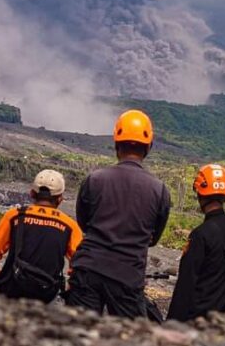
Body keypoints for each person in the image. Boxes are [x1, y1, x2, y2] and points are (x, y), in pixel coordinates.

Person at [65, 109, 171, 318]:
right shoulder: (159, 190)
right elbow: (153, 238)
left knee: (77, 335)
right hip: (127, 277)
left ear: (116, 143)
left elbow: (84, 223)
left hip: (88, 270)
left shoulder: (94, 180)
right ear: (148, 146)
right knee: (129, 337)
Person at [0, 169, 82, 303]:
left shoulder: (14, 216)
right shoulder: (70, 226)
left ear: (32, 193)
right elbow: (80, 265)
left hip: (12, 289)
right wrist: (69, 289)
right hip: (46, 293)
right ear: (60, 199)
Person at [167, 163, 225, 322]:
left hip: (198, 318)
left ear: (200, 194)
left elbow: (186, 284)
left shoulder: (201, 234)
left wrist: (171, 323)